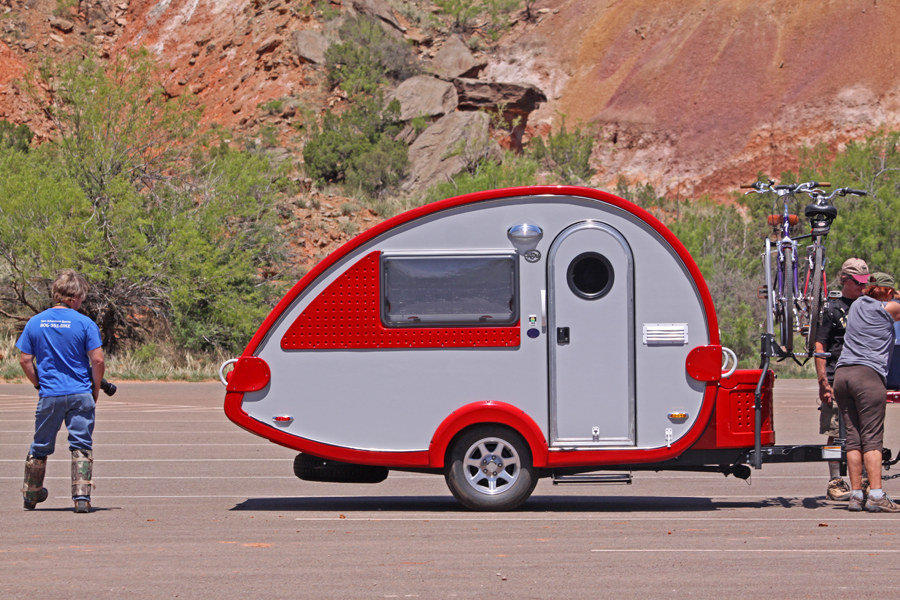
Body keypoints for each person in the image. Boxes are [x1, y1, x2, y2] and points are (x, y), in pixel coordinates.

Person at [17, 270, 104, 513]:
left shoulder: (35, 322)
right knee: (81, 444)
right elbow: (97, 361)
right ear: (75, 297)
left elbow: (25, 360)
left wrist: (38, 384)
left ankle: (31, 493)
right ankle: (81, 498)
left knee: (40, 445)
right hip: (79, 393)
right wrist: (95, 389)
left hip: (50, 394)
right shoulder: (85, 323)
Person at [833, 271, 900, 512]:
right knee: (872, 439)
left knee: (853, 439)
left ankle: (856, 496)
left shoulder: (858, 304)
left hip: (842, 375)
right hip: (867, 375)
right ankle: (877, 496)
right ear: (889, 292)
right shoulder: (888, 310)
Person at [816, 258, 869, 501]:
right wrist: (822, 382)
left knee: (867, 432)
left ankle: (867, 479)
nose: (862, 287)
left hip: (864, 376)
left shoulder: (870, 305)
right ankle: (835, 481)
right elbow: (821, 344)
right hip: (836, 375)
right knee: (836, 432)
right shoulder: (833, 308)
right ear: (844, 280)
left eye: (865, 282)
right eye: (857, 282)